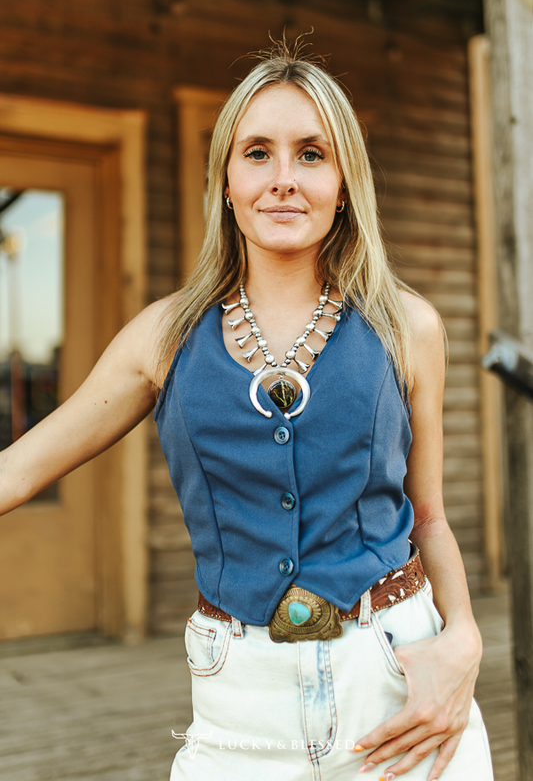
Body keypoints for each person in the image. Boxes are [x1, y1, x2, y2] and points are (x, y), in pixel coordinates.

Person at [0, 42, 493, 781]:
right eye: (257, 153)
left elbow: (428, 517)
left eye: (311, 155)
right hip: (239, 705)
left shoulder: (406, 327)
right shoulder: (163, 337)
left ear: (343, 182)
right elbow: (18, 471)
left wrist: (463, 641)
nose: (283, 180)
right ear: (225, 181)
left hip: (398, 679)